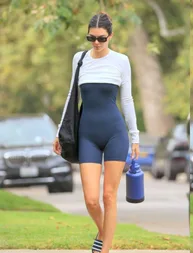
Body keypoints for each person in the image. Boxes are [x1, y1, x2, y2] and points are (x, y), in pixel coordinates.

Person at [53, 12, 140, 253]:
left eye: (101, 38)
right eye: (91, 37)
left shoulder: (121, 61)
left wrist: (135, 136)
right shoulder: (79, 60)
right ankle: (104, 232)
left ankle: (105, 249)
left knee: (109, 196)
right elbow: (71, 96)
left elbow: (128, 100)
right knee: (91, 199)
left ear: (110, 36)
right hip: (87, 136)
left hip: (115, 133)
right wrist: (61, 131)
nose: (96, 43)